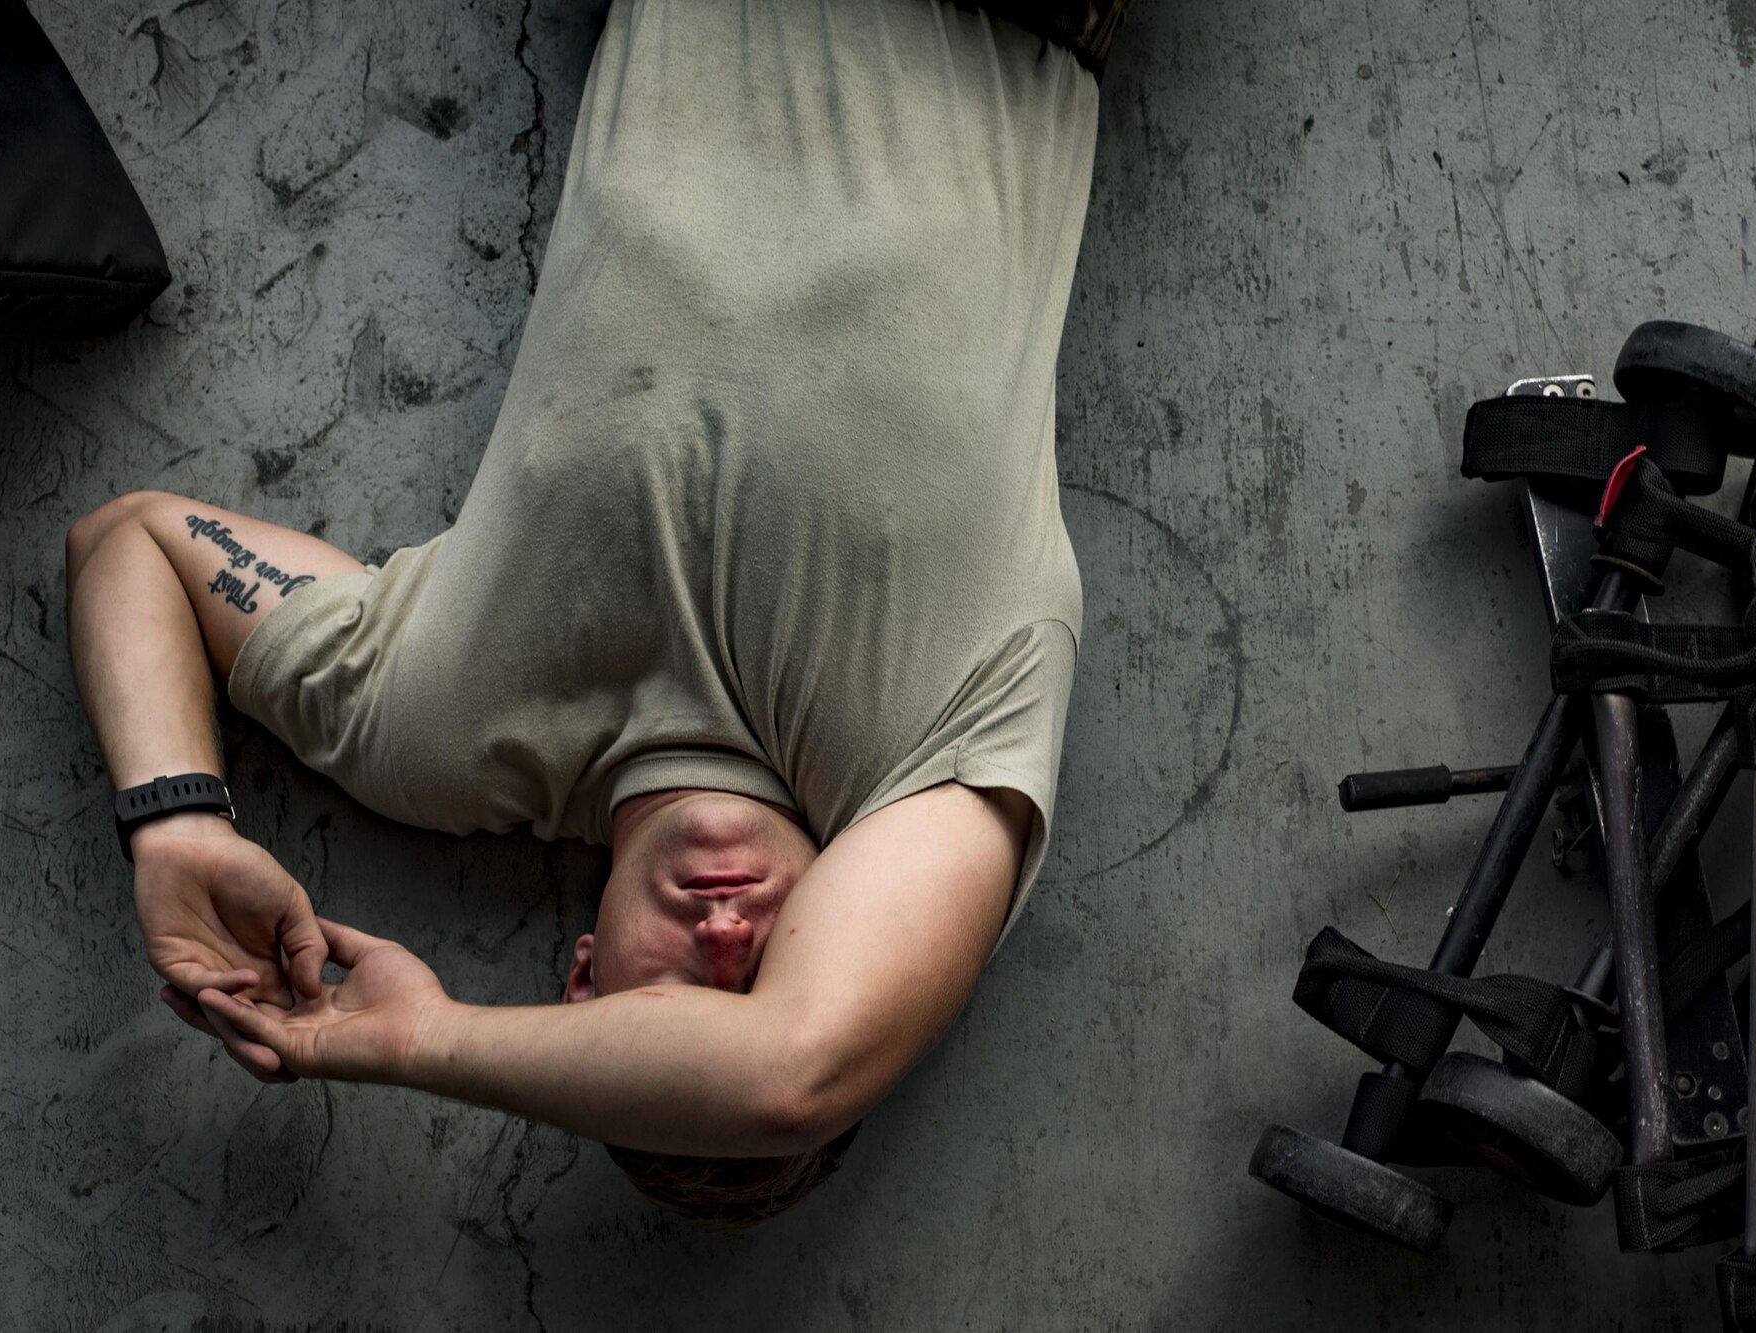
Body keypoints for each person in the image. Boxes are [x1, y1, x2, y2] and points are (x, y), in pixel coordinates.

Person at [64, 0, 1124, 1227]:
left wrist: (176, 825)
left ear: (582, 983)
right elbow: (790, 1073)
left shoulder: (442, 732)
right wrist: (431, 1043)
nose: (728, 946)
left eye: (670, 1009)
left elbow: (127, 545)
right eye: (765, 979)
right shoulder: (938, 756)